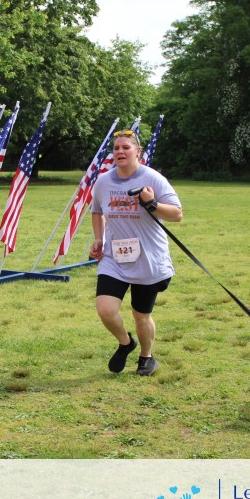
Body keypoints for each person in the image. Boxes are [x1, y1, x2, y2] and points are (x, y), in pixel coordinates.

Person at [89, 129, 183, 376]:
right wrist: (99, 238)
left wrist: (151, 203)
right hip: (115, 258)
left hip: (148, 259)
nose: (120, 152)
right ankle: (125, 342)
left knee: (141, 316)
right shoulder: (104, 181)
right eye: (116, 148)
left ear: (138, 152)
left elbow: (177, 214)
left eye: (126, 147)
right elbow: (96, 210)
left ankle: (146, 357)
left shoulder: (153, 178)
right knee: (105, 309)